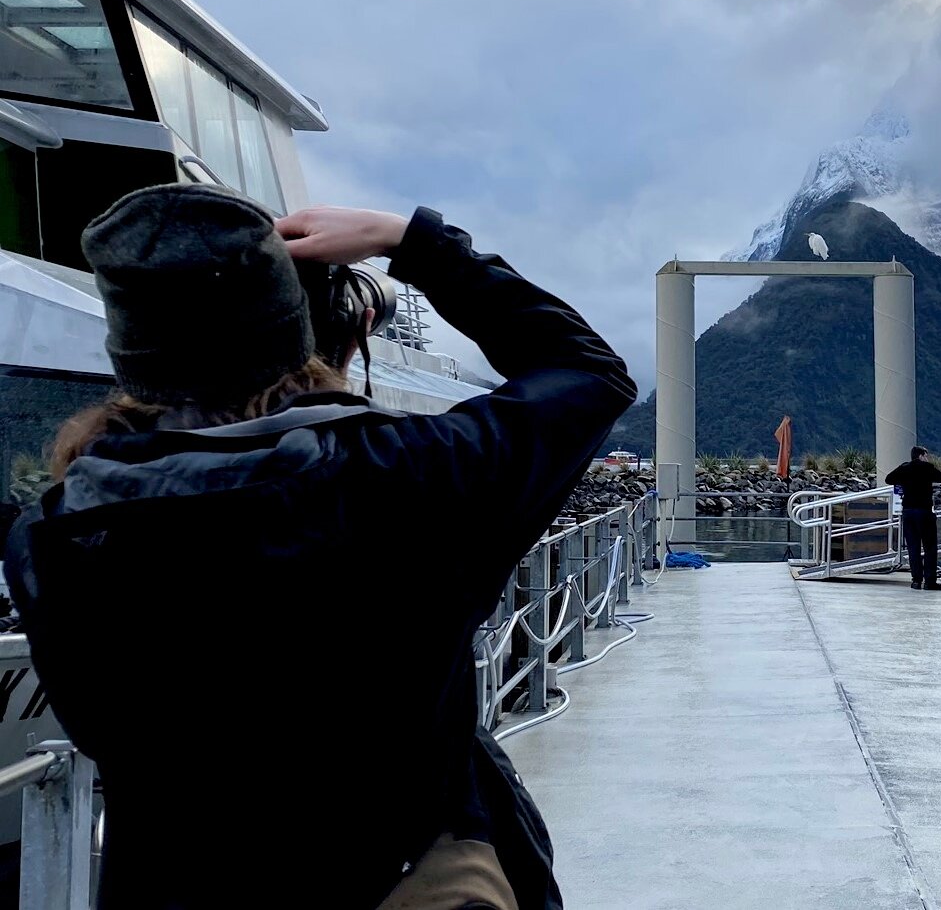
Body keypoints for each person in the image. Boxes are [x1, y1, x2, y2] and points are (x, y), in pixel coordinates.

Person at [4, 185, 636, 909]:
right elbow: (587, 371)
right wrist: (410, 239)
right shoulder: (415, 476)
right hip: (405, 878)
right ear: (306, 336)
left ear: (133, 354)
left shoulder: (54, 534)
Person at [885, 445, 941, 591]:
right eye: (926, 455)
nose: (927, 458)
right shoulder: (927, 468)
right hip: (924, 511)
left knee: (913, 547)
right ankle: (930, 581)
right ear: (921, 456)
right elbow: (940, 477)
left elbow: (889, 479)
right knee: (930, 547)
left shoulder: (905, 468)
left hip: (908, 511)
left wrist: (903, 482)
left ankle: (916, 580)